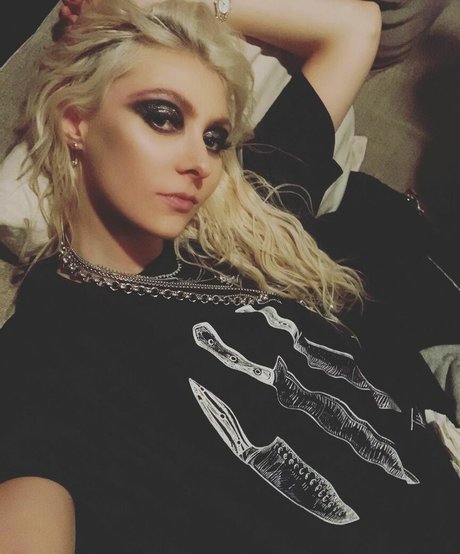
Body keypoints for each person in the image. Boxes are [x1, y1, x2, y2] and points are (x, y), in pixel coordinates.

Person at [0, 1, 458, 553]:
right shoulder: (48, 350)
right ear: (77, 121)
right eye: (163, 117)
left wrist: (154, 4)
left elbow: (356, 28)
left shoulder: (244, 224)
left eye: (215, 137)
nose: (201, 162)